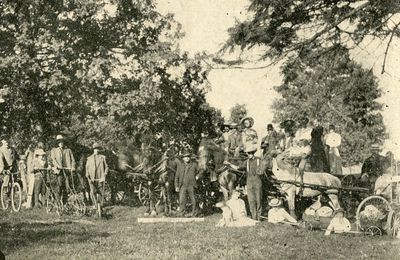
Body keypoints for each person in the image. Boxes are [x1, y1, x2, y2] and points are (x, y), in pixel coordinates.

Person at [175, 150, 201, 217]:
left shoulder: (194, 165)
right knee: (182, 200)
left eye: (188, 157)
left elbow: (201, 171)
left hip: (191, 185)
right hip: (183, 185)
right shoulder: (180, 166)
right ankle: (181, 213)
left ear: (190, 158)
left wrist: (198, 176)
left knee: (193, 199)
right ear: (183, 158)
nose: (187, 158)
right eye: (185, 157)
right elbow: (177, 176)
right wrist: (176, 186)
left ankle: (194, 213)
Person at [50, 134, 76, 203]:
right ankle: (58, 202)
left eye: (62, 142)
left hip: (67, 170)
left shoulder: (68, 150)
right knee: (59, 185)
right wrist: (57, 165)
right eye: (59, 142)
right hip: (59, 171)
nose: (61, 143)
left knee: (67, 186)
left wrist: (73, 167)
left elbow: (73, 160)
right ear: (57, 143)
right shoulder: (54, 150)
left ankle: (65, 202)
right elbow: (53, 159)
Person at [85, 142, 108, 207]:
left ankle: (100, 205)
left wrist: (105, 173)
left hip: (100, 177)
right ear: (93, 150)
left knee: (101, 191)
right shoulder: (89, 158)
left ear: (99, 150)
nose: (96, 150)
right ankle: (95, 204)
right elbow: (87, 168)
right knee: (93, 191)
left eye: (98, 149)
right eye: (95, 149)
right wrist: (87, 175)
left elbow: (106, 167)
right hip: (92, 178)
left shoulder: (102, 157)